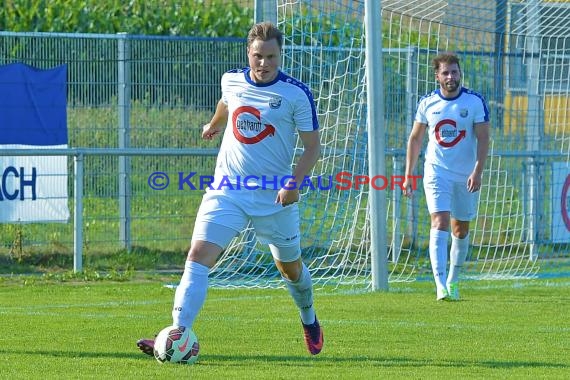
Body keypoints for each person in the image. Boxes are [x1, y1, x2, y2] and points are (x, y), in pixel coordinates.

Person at [137, 22, 323, 356]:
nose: (263, 63)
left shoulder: (296, 94)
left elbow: (312, 147)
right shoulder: (232, 79)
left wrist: (293, 184)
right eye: (258, 56)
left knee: (290, 270)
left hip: (274, 197)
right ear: (248, 54)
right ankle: (177, 333)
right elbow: (226, 102)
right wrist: (214, 124)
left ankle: (308, 318)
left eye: (270, 57)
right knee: (197, 257)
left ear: (280, 56)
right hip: (228, 189)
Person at [402, 52, 490, 301]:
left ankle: (453, 280)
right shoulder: (427, 103)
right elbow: (416, 138)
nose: (451, 76)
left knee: (460, 228)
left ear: (460, 73)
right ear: (437, 76)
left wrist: (477, 170)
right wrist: (409, 174)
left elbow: (483, 138)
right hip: (436, 171)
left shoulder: (474, 102)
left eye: (454, 71)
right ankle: (439, 284)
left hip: (466, 175)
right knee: (439, 221)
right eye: (446, 72)